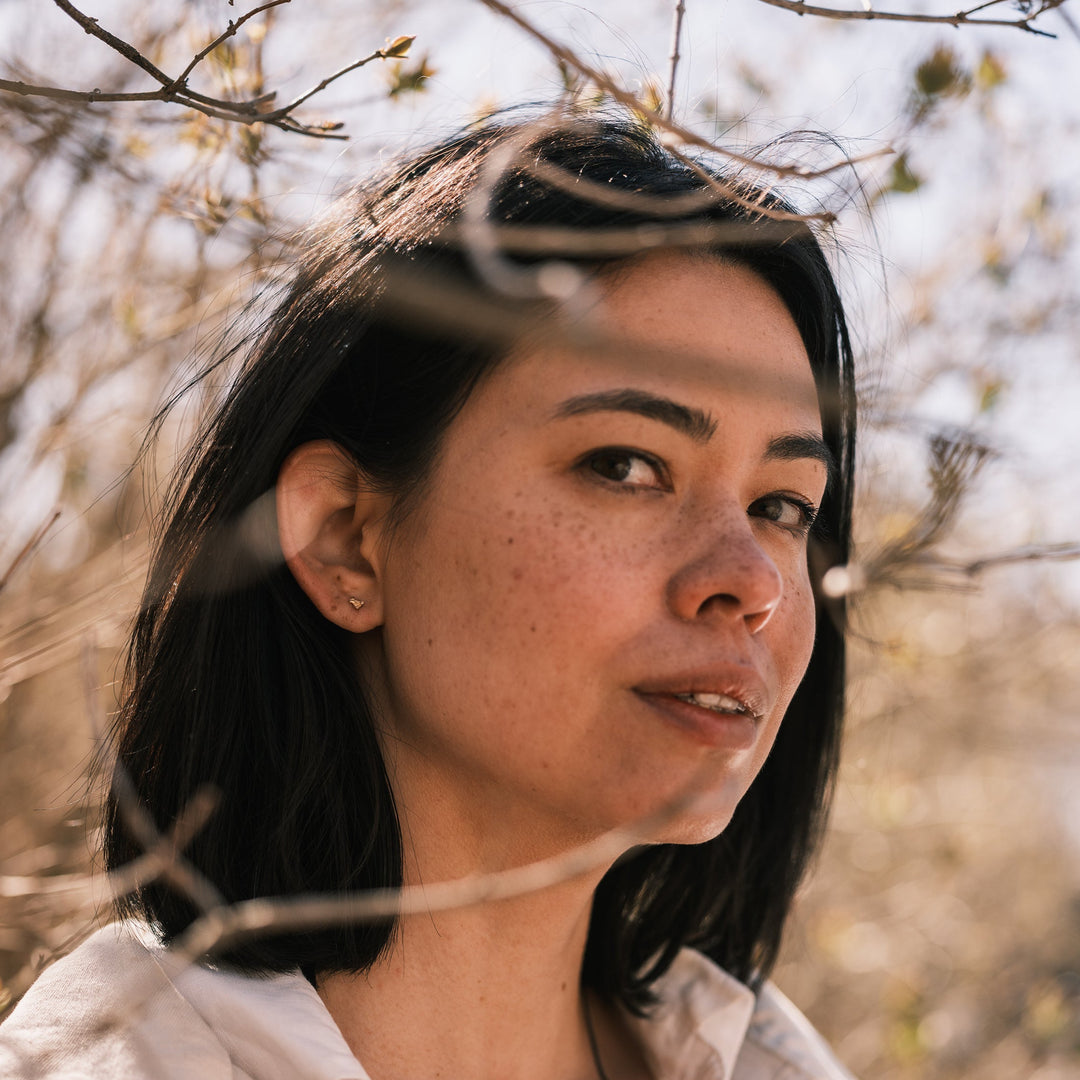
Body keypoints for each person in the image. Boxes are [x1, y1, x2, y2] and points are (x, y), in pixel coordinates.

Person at [0, 113, 857, 1079]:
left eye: (783, 504)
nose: (751, 581)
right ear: (346, 539)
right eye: (626, 465)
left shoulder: (771, 1065)